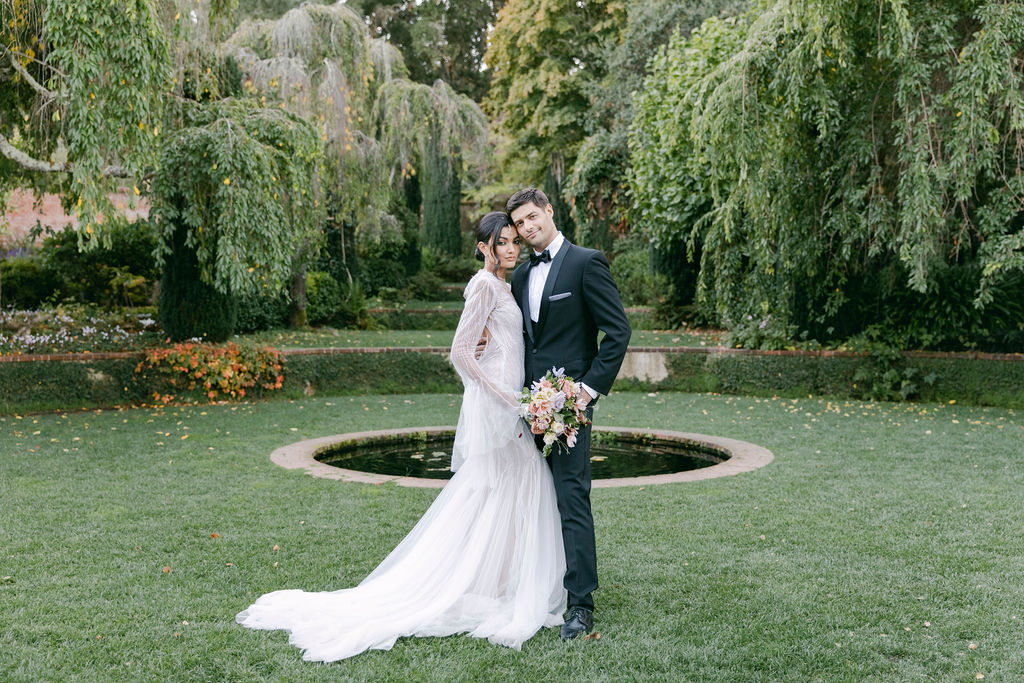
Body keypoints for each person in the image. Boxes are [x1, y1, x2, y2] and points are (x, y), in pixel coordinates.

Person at [236, 212, 567, 661]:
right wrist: (505, 396)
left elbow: (495, 342)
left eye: (513, 242)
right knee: (505, 484)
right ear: (485, 247)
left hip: (510, 398)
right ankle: (484, 580)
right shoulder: (485, 284)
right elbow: (459, 353)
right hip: (499, 403)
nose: (511, 248)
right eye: (502, 242)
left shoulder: (503, 286)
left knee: (506, 488)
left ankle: (497, 579)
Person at [507, 187, 631, 640]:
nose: (527, 227)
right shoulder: (520, 277)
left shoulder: (586, 262)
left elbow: (617, 333)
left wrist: (586, 393)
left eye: (532, 217)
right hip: (524, 409)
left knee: (571, 498)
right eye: (519, 223)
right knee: (525, 501)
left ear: (548, 211)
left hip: (569, 409)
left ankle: (580, 604)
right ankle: (531, 587)